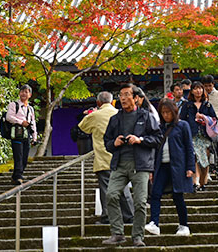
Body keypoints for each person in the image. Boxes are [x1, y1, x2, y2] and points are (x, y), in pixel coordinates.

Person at [103, 84, 163, 247]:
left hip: (141, 165)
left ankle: (137, 236)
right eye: (120, 95)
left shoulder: (146, 116)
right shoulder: (115, 118)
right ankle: (117, 233)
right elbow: (106, 142)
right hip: (120, 163)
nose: (122, 98)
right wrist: (114, 143)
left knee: (140, 202)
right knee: (111, 195)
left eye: (126, 94)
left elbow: (158, 138)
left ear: (136, 98)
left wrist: (140, 140)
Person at [79, 91, 134, 225]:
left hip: (103, 157)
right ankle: (129, 215)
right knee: (124, 188)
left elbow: (82, 127)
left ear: (98, 102)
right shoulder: (120, 114)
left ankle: (108, 216)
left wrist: (90, 114)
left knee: (106, 189)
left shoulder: (95, 115)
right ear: (113, 101)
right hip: (121, 156)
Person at [145, 99, 195, 237]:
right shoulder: (159, 128)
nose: (166, 115)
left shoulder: (183, 125)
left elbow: (189, 147)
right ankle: (154, 223)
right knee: (155, 193)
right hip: (162, 166)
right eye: (163, 112)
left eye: (168, 112)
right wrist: (151, 169)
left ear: (174, 112)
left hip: (178, 166)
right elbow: (154, 148)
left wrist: (190, 167)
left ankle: (184, 225)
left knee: (178, 196)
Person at [179, 81, 217, 191]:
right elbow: (182, 119)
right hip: (192, 135)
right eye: (195, 88)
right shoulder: (187, 105)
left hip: (205, 135)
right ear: (191, 91)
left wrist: (203, 117)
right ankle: (194, 182)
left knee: (204, 159)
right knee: (193, 158)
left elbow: (214, 119)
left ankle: (203, 182)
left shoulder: (207, 104)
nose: (198, 91)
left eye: (200, 88)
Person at [5, 84, 37, 185]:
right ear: (19, 93)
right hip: (17, 132)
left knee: (24, 157)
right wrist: (21, 121)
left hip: (26, 134)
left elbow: (33, 123)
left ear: (30, 95)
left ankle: (16, 175)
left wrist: (34, 137)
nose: (24, 94)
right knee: (18, 155)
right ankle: (18, 176)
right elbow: (8, 117)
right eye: (22, 91)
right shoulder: (14, 105)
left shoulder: (30, 109)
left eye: (26, 92)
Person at [202, 75, 218, 180]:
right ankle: (208, 169)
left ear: (213, 85)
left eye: (210, 86)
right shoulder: (202, 97)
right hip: (206, 122)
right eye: (206, 86)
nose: (208, 88)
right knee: (207, 147)